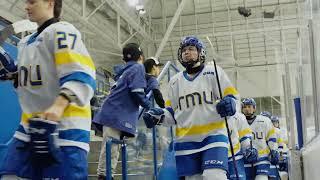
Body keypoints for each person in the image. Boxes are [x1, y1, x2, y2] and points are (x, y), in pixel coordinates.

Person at [0, 0, 96, 179]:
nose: (26, 6)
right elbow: (26, 78)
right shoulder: (25, 43)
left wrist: (57, 107)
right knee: (9, 174)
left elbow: (82, 74)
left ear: (50, 3)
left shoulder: (63, 31)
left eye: (32, 1)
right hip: (31, 127)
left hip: (66, 131)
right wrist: (11, 74)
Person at [143, 36, 239, 180]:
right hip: (185, 141)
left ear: (201, 52)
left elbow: (232, 97)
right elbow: (171, 115)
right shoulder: (174, 81)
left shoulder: (214, 71)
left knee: (214, 176)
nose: (187, 52)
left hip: (213, 136)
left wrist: (231, 103)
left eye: (191, 49)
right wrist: (158, 116)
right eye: (184, 50)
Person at [93, 43, 152, 180]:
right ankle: (104, 176)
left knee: (113, 148)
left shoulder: (126, 70)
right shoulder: (137, 67)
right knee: (111, 148)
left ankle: (106, 175)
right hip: (116, 114)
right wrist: (150, 106)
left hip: (113, 113)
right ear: (141, 57)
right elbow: (137, 92)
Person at [242, 98, 279, 180]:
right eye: (245, 107)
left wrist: (274, 150)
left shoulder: (265, 120)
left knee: (261, 178)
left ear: (254, 108)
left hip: (262, 158)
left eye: (249, 106)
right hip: (245, 160)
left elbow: (272, 137)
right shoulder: (238, 121)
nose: (247, 109)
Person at [227, 112, 257, 180]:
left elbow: (244, 137)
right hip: (214, 155)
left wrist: (248, 148)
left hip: (235, 155)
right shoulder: (209, 113)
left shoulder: (239, 116)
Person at [270, 115, 288, 180]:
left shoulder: (281, 131)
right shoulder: (271, 131)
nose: (274, 124)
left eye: (276, 122)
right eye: (273, 122)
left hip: (281, 152)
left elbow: (284, 143)